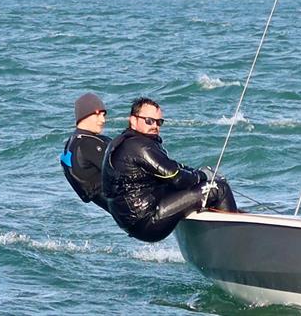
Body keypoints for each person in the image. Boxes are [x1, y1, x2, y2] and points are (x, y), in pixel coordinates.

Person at [102, 97, 238, 242]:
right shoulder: (139, 146)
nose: (155, 126)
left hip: (133, 220)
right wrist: (204, 175)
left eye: (158, 122)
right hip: (146, 220)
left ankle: (214, 235)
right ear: (133, 121)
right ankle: (235, 242)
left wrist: (197, 173)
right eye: (149, 121)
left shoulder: (126, 142)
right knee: (218, 188)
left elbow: (172, 167)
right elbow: (176, 176)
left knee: (197, 188)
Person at [60, 92, 110, 211]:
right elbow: (121, 169)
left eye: (104, 115)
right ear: (84, 115)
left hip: (115, 210)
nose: (103, 120)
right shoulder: (87, 144)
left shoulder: (73, 142)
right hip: (130, 206)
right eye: (98, 115)